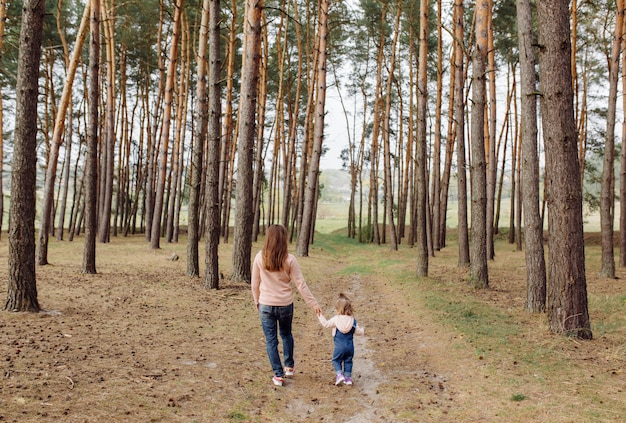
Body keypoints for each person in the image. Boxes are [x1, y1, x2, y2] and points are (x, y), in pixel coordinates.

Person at [251, 224, 322, 387]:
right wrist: (314, 304)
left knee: (271, 341)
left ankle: (278, 375)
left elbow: (255, 283)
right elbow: (301, 285)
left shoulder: (259, 257)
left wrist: (257, 300)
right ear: (283, 240)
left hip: (265, 305)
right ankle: (289, 366)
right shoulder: (290, 259)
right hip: (285, 305)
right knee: (286, 334)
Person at [318, 293, 365, 386]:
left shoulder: (336, 319)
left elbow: (326, 324)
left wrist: (320, 315)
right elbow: (358, 332)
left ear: (338, 309)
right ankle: (348, 378)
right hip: (350, 347)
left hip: (339, 347)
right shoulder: (353, 321)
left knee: (336, 360)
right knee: (348, 361)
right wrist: (363, 330)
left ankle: (339, 375)